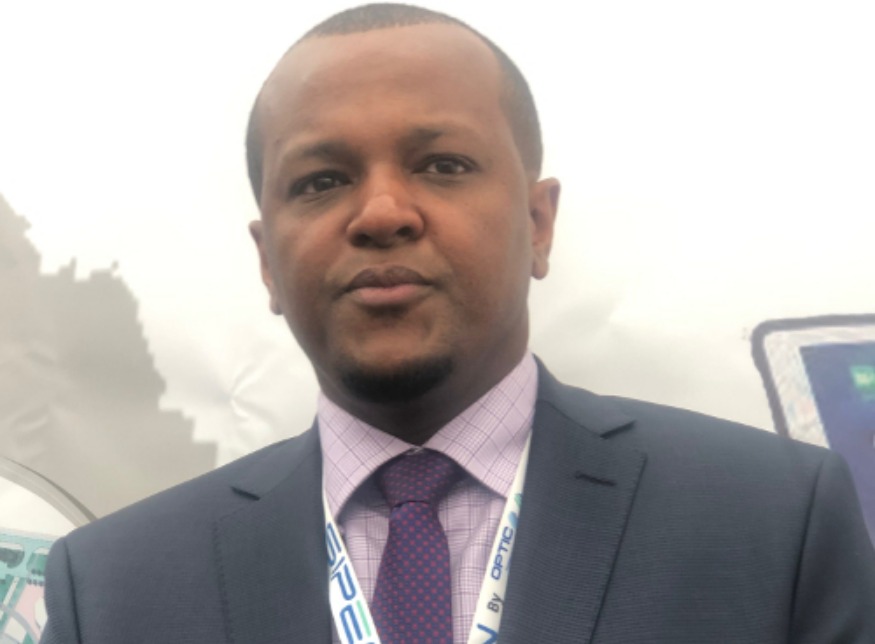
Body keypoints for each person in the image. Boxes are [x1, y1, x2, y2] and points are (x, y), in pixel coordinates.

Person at [40, 4, 875, 643]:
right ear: (267, 260)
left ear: (537, 224)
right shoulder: (114, 591)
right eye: (321, 181)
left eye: (442, 165)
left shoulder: (772, 522)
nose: (381, 213)